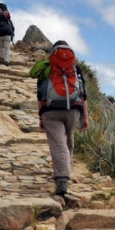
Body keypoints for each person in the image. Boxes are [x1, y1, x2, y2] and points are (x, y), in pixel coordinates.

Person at [35, 40, 89, 195]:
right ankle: (66, 170)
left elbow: (40, 95)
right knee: (68, 141)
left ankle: (62, 179)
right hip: (73, 110)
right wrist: (85, 117)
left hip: (51, 111)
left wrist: (41, 116)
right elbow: (83, 95)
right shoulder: (75, 68)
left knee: (58, 144)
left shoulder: (47, 68)